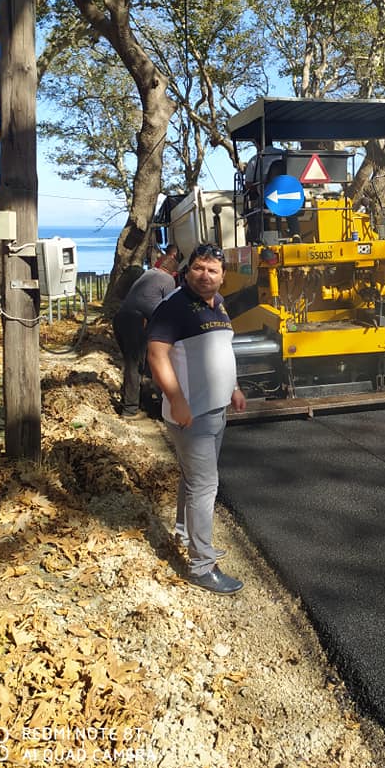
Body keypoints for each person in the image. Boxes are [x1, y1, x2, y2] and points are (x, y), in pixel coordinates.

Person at [147, 243, 246, 595]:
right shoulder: (172, 307)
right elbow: (157, 356)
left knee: (193, 479)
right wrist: (177, 400)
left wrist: (233, 387)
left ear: (222, 276)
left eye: (213, 270)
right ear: (187, 271)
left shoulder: (218, 304)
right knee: (205, 486)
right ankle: (202, 565)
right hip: (192, 414)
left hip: (215, 407)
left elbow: (221, 348)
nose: (206, 275)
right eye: (199, 268)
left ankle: (184, 534)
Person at [113, 253, 180, 418]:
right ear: (174, 273)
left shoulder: (148, 274)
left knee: (135, 364)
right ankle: (130, 409)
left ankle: (139, 401)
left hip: (120, 319)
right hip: (135, 321)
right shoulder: (168, 280)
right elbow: (168, 309)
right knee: (136, 365)